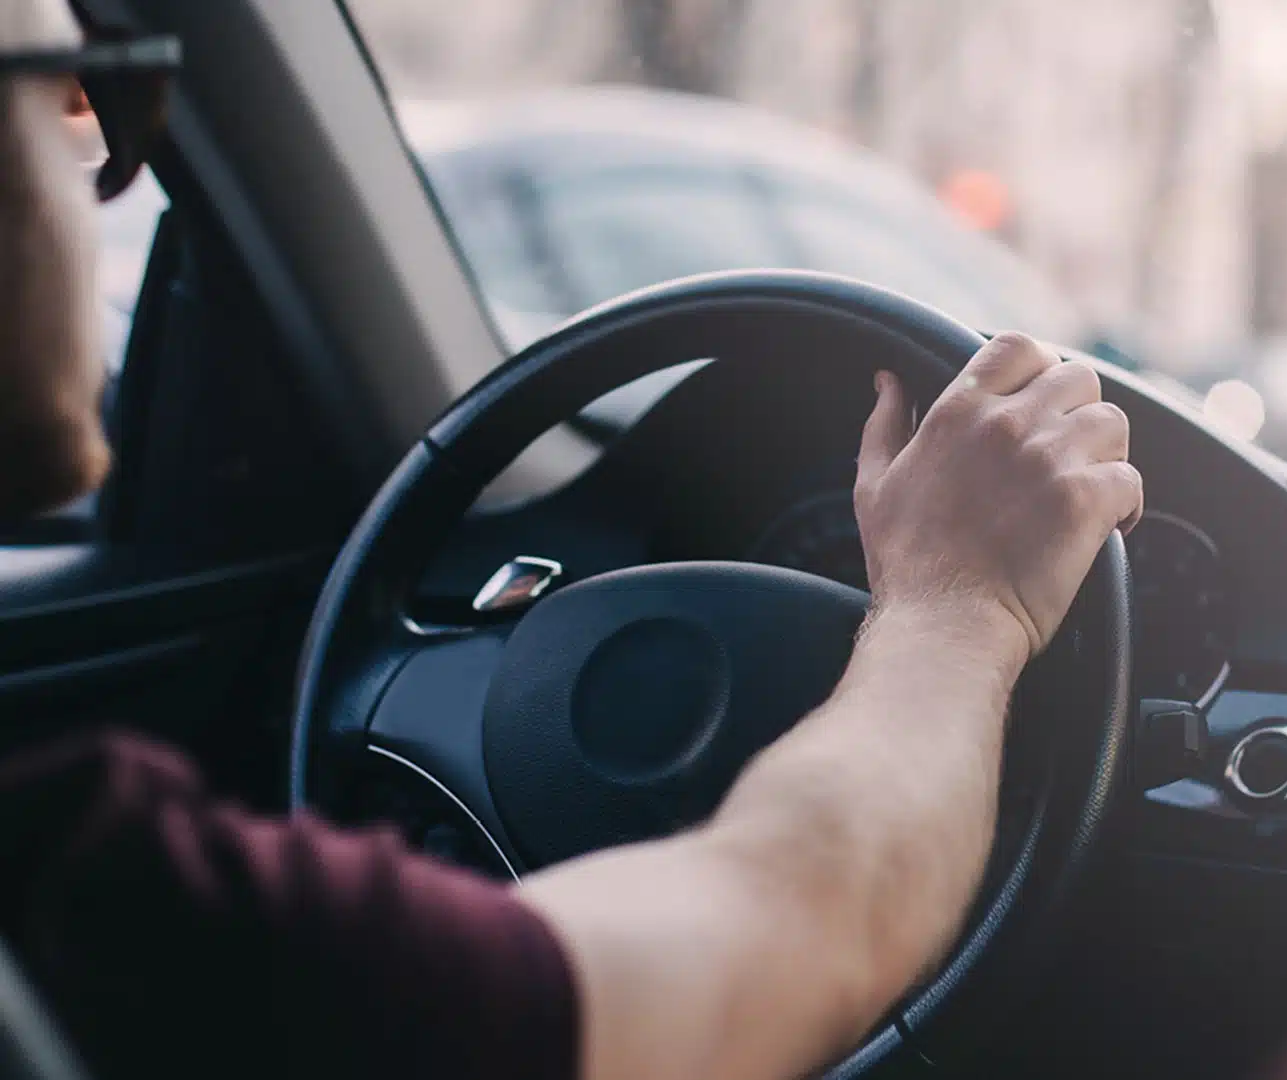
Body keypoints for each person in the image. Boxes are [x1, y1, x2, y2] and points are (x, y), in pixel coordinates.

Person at [0, 4, 1142, 1080]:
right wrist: (958, 607)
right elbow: (799, 928)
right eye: (72, 86)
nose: (113, 164)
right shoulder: (87, 900)